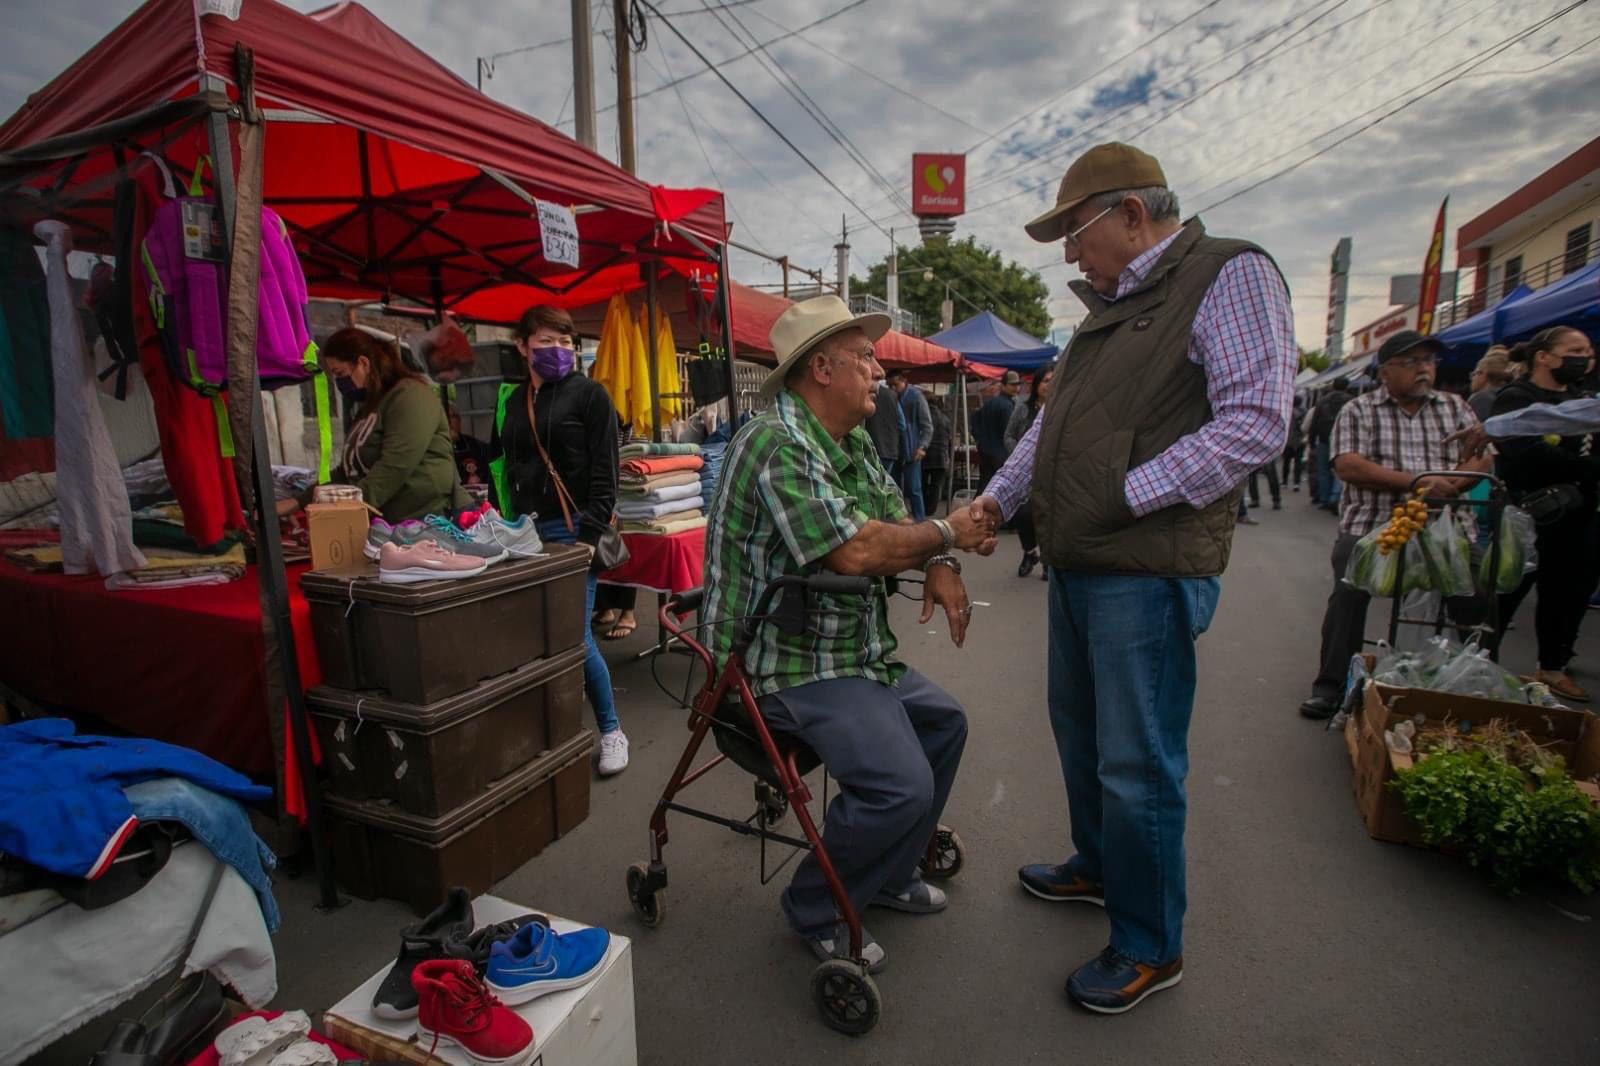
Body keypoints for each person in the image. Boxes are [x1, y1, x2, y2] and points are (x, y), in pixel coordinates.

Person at [976, 143, 1296, 1014]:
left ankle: (1152, 944)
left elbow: (1256, 420)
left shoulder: (1227, 272)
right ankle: (1099, 866)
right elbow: (1047, 437)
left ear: (1129, 213)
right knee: (1082, 736)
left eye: (1074, 232)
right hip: (1086, 562)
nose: (1070, 254)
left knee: (1138, 762)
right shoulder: (1106, 313)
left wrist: (1124, 494)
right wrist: (996, 502)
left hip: (1146, 569)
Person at [702, 295, 994, 973]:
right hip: (780, 662)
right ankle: (817, 905)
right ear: (822, 369)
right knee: (901, 786)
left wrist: (942, 558)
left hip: (846, 653)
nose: (878, 370)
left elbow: (895, 519)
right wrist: (948, 533)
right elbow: (857, 551)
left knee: (945, 724)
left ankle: (886, 874)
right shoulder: (776, 442)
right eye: (865, 357)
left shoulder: (848, 439)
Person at [1297, 330, 1491, 721]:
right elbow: (1348, 465)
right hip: (1375, 526)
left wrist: (1450, 484)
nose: (1424, 369)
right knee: (1348, 592)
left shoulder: (1455, 407)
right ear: (1385, 372)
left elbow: (1483, 458)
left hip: (1446, 527)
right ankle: (1331, 685)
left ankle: (1478, 684)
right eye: (1412, 362)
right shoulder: (1359, 409)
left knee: (1477, 595)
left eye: (1429, 361)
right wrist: (1417, 482)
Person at [488, 305, 629, 776]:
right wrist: (495, 517)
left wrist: (589, 537)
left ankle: (611, 731)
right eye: (546, 341)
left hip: (571, 531)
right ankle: (549, 733)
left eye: (565, 342)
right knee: (531, 634)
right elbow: (502, 464)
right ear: (522, 346)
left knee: (573, 634)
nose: (558, 350)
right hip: (521, 532)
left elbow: (606, 474)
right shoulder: (511, 401)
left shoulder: (590, 395)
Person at [1489, 326, 1599, 701]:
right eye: (1575, 350)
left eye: (1587, 351)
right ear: (1543, 357)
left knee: (1567, 594)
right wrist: (1587, 467)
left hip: (1577, 515)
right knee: (1505, 591)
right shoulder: (1517, 398)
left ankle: (1553, 666)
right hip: (1526, 514)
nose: (1584, 358)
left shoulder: (1582, 401)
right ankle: (1478, 662)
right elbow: (1525, 453)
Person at [321, 327, 468, 524]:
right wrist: (305, 499)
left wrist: (346, 511)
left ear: (363, 363)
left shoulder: (410, 396)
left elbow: (395, 465)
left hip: (431, 520)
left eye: (340, 373)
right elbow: (347, 470)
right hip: (394, 525)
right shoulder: (369, 407)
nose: (339, 382)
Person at [1004, 361, 1055, 578]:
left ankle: (1047, 560)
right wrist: (1019, 456)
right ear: (1036, 384)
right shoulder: (1023, 407)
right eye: (1045, 381)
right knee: (1023, 514)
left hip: (1051, 474)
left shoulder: (1060, 407)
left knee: (1047, 516)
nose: (1049, 385)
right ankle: (1029, 552)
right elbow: (1008, 435)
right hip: (1025, 473)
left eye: (1053, 381)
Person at [890, 369, 933, 520]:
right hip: (895, 449)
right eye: (890, 385)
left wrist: (922, 447)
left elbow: (927, 425)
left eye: (895, 384)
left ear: (904, 381)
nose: (893, 388)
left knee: (914, 488)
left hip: (912, 448)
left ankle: (920, 520)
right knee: (895, 488)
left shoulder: (916, 397)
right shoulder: (892, 397)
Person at [1309, 379, 1353, 511]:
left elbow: (1314, 423)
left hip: (1324, 439)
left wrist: (1312, 441)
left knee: (1323, 470)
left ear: (1333, 386)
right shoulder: (1351, 402)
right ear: (1347, 387)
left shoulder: (1322, 401)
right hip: (1343, 440)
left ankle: (1324, 499)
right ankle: (1334, 498)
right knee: (1339, 470)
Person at [973, 371, 1020, 490]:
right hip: (1000, 454)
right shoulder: (1007, 406)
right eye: (1012, 385)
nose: (1016, 388)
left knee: (984, 485)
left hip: (985, 452)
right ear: (1003, 386)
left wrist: (979, 440)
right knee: (998, 488)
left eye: (1017, 384)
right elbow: (1009, 432)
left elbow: (974, 422)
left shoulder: (990, 403)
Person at [864, 378, 905, 483]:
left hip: (870, 446)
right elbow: (902, 425)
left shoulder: (864, 393)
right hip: (890, 449)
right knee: (883, 483)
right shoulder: (893, 395)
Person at [449, 409, 492, 498]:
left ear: (459, 420)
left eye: (453, 416)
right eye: (445, 417)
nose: (449, 421)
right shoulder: (431, 450)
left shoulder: (477, 447)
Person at [923, 397, 953, 517]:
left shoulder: (926, 416)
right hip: (941, 455)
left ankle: (924, 507)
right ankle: (931, 509)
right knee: (936, 485)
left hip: (927, 454)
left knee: (923, 482)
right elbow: (950, 439)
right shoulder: (946, 419)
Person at [1468, 345, 1513, 422]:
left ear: (1483, 374)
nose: (1472, 378)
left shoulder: (1481, 398)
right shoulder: (1511, 395)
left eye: (1474, 374)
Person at [1282, 396, 1306, 492]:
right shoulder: (1304, 412)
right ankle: (1296, 483)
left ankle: (1284, 482)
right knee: (1298, 463)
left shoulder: (1287, 412)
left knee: (1286, 462)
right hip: (1300, 440)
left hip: (1288, 441)